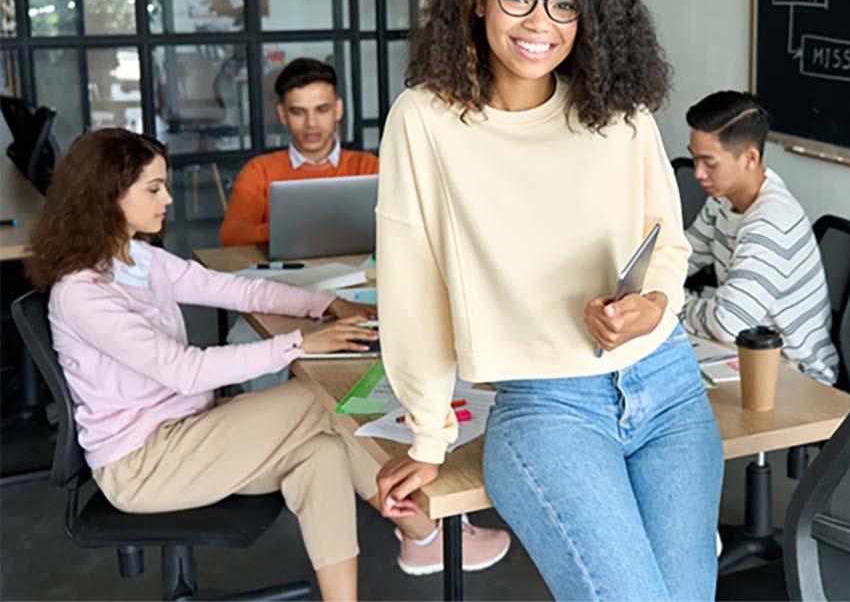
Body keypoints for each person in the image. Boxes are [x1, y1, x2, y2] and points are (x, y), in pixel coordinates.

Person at [372, 0, 723, 601]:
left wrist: (652, 303)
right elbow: (412, 285)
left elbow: (665, 237)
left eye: (564, 5)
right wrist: (428, 436)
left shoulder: (616, 110)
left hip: (668, 386)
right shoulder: (426, 119)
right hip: (548, 408)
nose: (540, 23)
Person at [24, 130, 507, 594]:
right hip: (144, 465)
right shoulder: (83, 294)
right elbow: (183, 370)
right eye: (154, 188)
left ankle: (404, 555)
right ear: (108, 197)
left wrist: (324, 306)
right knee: (322, 399)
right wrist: (300, 344)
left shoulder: (136, 258)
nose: (168, 199)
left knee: (324, 455)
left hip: (189, 432)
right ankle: (429, 529)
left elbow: (234, 288)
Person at [680, 91, 837, 384]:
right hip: (739, 350)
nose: (698, 173)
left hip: (794, 372)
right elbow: (680, 257)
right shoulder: (722, 200)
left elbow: (728, 323)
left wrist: (664, 304)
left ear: (750, 158)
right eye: (694, 159)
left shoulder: (771, 223)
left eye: (709, 163)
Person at [219, 58, 378, 247]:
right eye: (298, 112)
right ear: (282, 114)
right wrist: (289, 229)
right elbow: (231, 235)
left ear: (338, 110)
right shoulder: (259, 171)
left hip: (356, 273)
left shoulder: (368, 167)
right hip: (283, 275)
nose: (311, 123)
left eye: (322, 109)